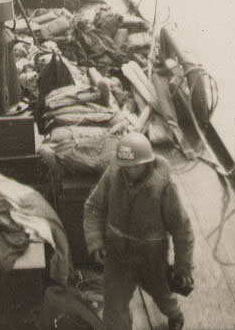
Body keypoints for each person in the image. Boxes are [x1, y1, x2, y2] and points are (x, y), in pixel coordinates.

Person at [83, 131, 194, 330]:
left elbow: (181, 228)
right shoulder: (113, 173)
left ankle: (174, 314)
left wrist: (182, 267)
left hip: (151, 258)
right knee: (114, 309)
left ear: (147, 163)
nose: (128, 171)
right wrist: (95, 241)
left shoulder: (163, 185)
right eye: (125, 166)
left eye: (134, 166)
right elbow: (93, 207)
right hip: (117, 256)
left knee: (162, 294)